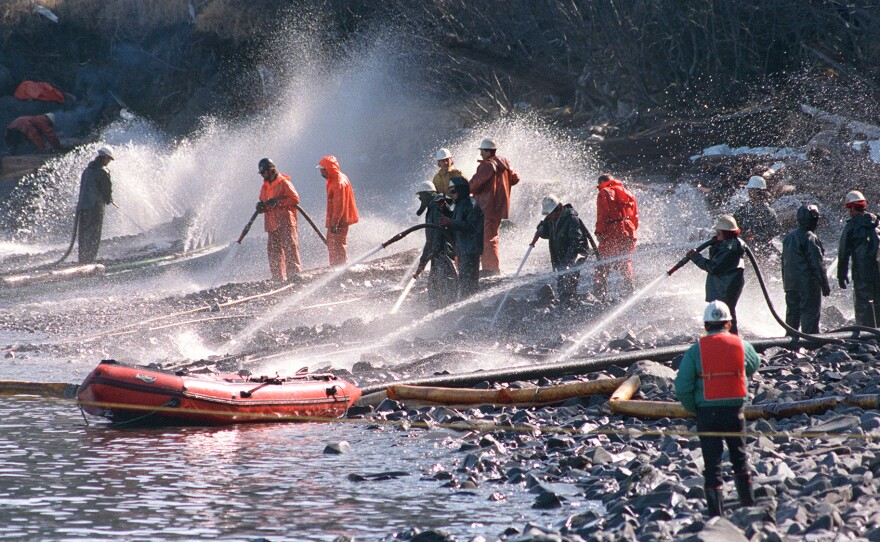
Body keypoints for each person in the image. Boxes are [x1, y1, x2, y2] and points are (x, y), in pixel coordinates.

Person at [674, 300, 760, 517]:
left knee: (712, 466)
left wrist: (694, 409)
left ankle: (716, 515)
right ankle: (749, 507)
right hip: (734, 410)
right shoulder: (742, 345)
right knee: (740, 458)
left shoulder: (695, 351)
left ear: (706, 325)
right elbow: (753, 364)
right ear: (728, 324)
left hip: (706, 413)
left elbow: (683, 386)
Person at [468, 138, 520, 276]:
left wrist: (462, 191)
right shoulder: (504, 163)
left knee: (487, 238)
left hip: (486, 207)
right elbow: (516, 178)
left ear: (487, 151)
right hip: (498, 207)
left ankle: (490, 269)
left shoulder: (487, 165)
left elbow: (474, 184)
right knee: (492, 236)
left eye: (482, 151)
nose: (480, 155)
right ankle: (491, 267)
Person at [688, 215, 745, 334]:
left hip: (725, 287)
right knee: (726, 315)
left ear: (725, 233)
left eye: (718, 233)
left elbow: (713, 267)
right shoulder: (728, 244)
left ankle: (729, 340)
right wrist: (716, 244)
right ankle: (727, 339)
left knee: (725, 315)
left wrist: (695, 257)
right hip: (724, 286)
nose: (716, 235)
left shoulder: (730, 248)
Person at [781, 205, 830, 334]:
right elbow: (817, 264)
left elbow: (784, 263)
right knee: (809, 315)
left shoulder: (788, 238)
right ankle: (811, 346)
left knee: (792, 316)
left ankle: (790, 345)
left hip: (790, 285)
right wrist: (824, 285)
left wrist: (786, 284)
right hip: (807, 285)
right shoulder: (811, 238)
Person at [534, 194, 590, 305]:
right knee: (562, 281)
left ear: (559, 207)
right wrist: (540, 228)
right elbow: (547, 234)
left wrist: (567, 262)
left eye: (552, 213)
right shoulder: (551, 218)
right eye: (548, 214)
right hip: (561, 254)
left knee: (569, 280)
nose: (550, 216)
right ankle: (566, 302)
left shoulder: (572, 219)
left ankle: (570, 303)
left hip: (575, 255)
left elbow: (575, 242)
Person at [837, 190, 880, 327]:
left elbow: (843, 253)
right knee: (878, 301)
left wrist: (841, 275)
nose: (849, 212)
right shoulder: (876, 223)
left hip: (861, 271)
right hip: (877, 271)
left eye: (849, 208)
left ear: (853, 207)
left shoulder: (851, 227)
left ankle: (865, 335)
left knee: (863, 303)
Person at [413, 181, 457, 308]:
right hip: (439, 253)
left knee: (443, 284)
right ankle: (436, 310)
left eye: (421, 196)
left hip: (443, 252)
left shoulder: (437, 206)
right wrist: (422, 263)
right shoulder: (432, 207)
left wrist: (436, 251)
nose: (420, 199)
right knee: (434, 284)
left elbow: (438, 230)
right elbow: (429, 240)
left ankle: (446, 309)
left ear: (427, 194)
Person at [594, 173, 638, 298]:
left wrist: (599, 232)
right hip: (629, 229)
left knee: (603, 261)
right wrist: (632, 230)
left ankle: (599, 292)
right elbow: (635, 215)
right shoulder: (628, 192)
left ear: (602, 182)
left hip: (612, 229)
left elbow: (602, 215)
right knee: (625, 260)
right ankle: (630, 289)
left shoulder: (604, 192)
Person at [256, 158, 301, 282]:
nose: (262, 176)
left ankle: (294, 276)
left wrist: (279, 202)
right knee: (273, 252)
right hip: (272, 224)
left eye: (264, 173)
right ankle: (277, 277)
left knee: (290, 248)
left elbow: (295, 199)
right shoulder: (264, 186)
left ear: (271, 170)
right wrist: (260, 206)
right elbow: (263, 202)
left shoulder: (284, 183)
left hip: (285, 222)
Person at [440, 176, 483, 299]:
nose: (452, 195)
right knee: (464, 281)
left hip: (470, 250)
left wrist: (451, 222)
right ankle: (467, 306)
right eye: (450, 192)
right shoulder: (460, 205)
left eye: (453, 192)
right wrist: (446, 212)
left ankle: (471, 308)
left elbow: (471, 226)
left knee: (469, 283)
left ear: (462, 190)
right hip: (463, 249)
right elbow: (457, 221)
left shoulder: (471, 203)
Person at [318, 155, 359, 266]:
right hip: (342, 218)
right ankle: (338, 266)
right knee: (334, 244)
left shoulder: (337, 183)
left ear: (328, 169)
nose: (320, 173)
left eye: (322, 170)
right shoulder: (337, 178)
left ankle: (340, 268)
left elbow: (339, 205)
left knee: (337, 245)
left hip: (339, 220)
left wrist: (334, 223)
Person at [75, 146, 114, 263]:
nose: (109, 162)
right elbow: (107, 190)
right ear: (105, 158)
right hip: (95, 208)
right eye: (109, 160)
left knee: (83, 234)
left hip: (82, 207)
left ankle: (82, 259)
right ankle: (90, 260)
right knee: (94, 234)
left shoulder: (87, 170)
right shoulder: (103, 171)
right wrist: (109, 199)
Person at [733, 175, 780, 255]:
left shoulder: (768, 212)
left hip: (762, 249)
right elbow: (734, 224)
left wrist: (756, 237)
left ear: (759, 191)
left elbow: (774, 231)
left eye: (752, 190)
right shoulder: (743, 209)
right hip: (744, 247)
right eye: (749, 190)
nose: (749, 192)